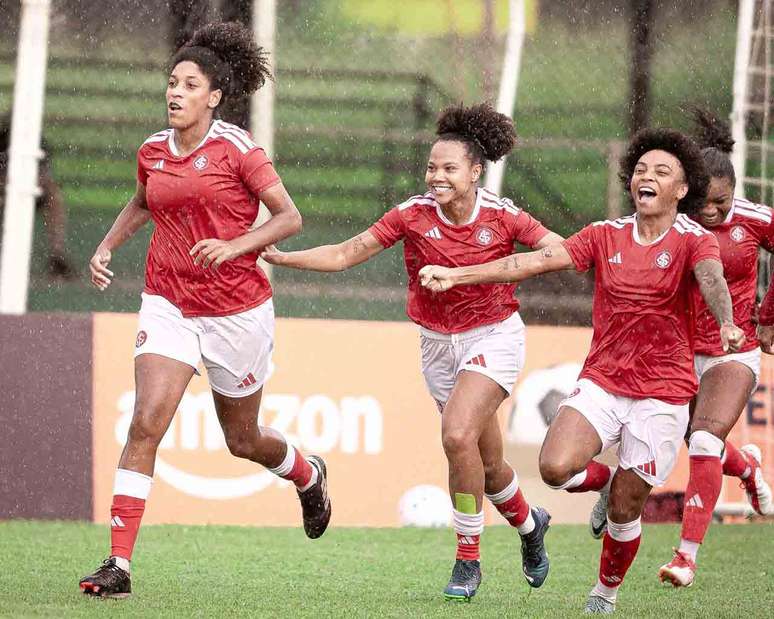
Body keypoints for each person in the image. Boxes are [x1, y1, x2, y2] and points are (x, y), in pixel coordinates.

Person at [418, 127, 746, 613]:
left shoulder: (695, 241)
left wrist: (727, 323)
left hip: (663, 393)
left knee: (625, 509)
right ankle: (605, 482)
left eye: (661, 172)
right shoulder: (604, 234)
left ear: (681, 189)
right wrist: (457, 273)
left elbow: (713, 281)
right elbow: (532, 262)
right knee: (553, 467)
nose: (646, 178)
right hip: (604, 382)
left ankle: (605, 591)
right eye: (640, 170)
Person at [262, 103, 560, 601]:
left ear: (475, 171)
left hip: (494, 337)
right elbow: (344, 253)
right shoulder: (412, 214)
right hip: (438, 345)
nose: (437, 177)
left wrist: (468, 274)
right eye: (431, 167)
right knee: (488, 468)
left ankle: (468, 560)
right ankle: (531, 526)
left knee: (456, 433)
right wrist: (283, 257)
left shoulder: (504, 217)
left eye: (448, 169)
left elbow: (558, 251)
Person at [79, 22, 330, 599]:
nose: (175, 92)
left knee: (241, 440)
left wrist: (236, 246)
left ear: (214, 97)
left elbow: (288, 218)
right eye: (172, 82)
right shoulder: (152, 150)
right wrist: (107, 245)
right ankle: (118, 565)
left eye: (189, 84)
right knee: (146, 422)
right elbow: (144, 201)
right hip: (169, 302)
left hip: (237, 310)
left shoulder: (239, 150)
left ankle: (307, 473)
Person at [655, 110, 774, 588]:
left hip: (733, 350)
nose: (712, 211)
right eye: (703, 201)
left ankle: (685, 557)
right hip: (680, 352)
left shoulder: (753, 219)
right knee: (693, 441)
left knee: (703, 442)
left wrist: (766, 317)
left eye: (721, 202)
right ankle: (745, 468)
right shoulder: (672, 223)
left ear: (734, 191)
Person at [0, 114, 77, 278]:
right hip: (5, 192)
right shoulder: (3, 139)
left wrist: (32, 182)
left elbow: (44, 175)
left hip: (30, 190)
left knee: (54, 196)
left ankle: (57, 255)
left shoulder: (39, 142)